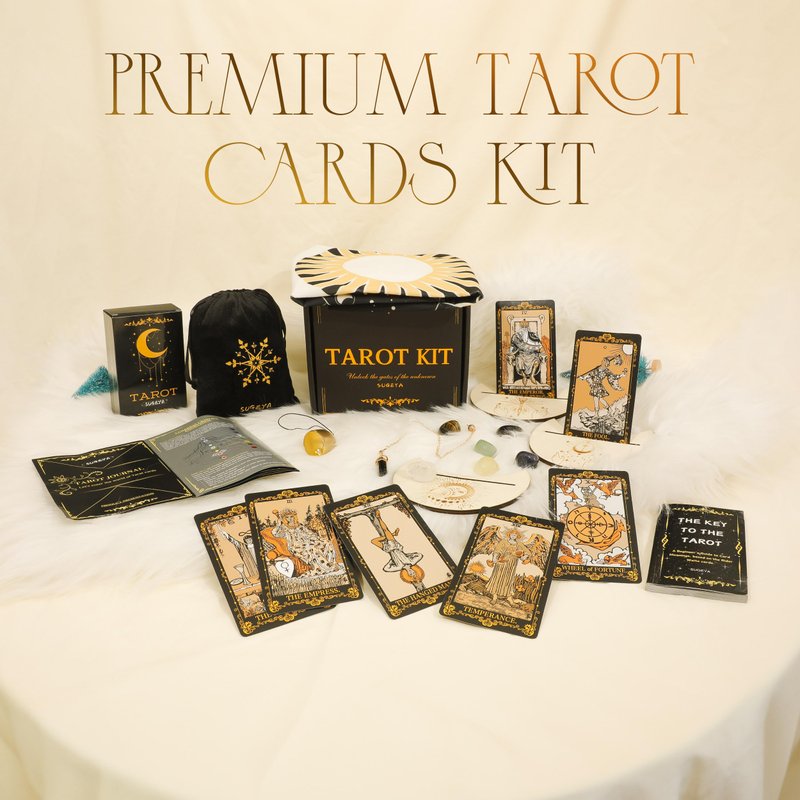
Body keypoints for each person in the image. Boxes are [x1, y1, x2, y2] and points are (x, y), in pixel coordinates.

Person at [508, 320, 546, 387]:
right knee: (519, 360)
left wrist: (541, 351)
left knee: (536, 361)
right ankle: (524, 376)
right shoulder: (516, 337)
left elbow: (540, 347)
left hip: (532, 355)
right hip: (522, 355)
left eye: (525, 327)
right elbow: (512, 346)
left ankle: (532, 376)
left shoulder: (533, 335)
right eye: (523, 327)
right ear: (520, 327)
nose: (524, 329)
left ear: (528, 328)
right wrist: (511, 352)